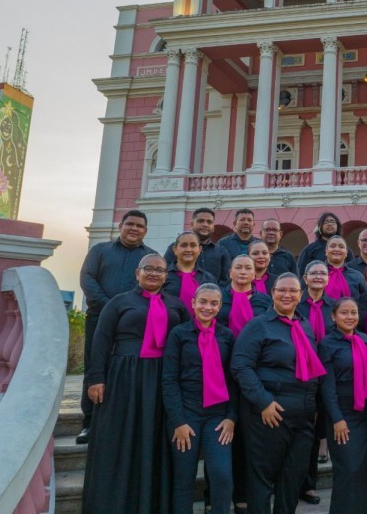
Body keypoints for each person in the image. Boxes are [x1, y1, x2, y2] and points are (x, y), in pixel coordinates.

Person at [82, 253, 190, 513]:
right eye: (148, 269)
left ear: (167, 276)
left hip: (162, 377)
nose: (154, 274)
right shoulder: (119, 303)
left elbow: (188, 342)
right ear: (137, 273)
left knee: (154, 438)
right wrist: (97, 377)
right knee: (120, 436)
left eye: (160, 270)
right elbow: (101, 341)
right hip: (124, 376)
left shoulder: (176, 306)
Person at [231, 272, 326, 514]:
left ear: (300, 295)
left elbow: (311, 366)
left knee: (293, 477)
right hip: (270, 410)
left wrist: (312, 406)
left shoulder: (304, 324)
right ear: (272, 293)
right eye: (281, 290)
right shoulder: (258, 326)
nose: (287, 294)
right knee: (262, 478)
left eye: (293, 291)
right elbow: (241, 367)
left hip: (303, 413)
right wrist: (264, 402)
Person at [77, 209, 156, 443]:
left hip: (134, 325)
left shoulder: (150, 257)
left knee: (127, 370)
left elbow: (153, 286)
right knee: (95, 366)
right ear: (121, 226)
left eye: (139, 226)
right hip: (99, 318)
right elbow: (87, 278)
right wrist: (111, 307)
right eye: (129, 224)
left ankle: (122, 423)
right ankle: (90, 423)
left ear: (145, 231)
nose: (134, 229)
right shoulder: (100, 251)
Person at [162, 283, 236, 514]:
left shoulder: (227, 336)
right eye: (202, 301)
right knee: (184, 478)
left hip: (217, 416)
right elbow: (169, 380)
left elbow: (233, 380)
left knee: (222, 475)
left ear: (220, 307)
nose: (207, 307)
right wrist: (178, 421)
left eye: (214, 303)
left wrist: (232, 418)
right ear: (193, 303)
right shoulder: (178, 334)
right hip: (186, 414)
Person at [217, 254, 271, 511]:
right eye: (238, 266)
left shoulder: (264, 301)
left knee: (249, 438)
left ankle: (244, 492)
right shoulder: (219, 298)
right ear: (230, 272)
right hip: (221, 371)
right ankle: (215, 494)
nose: (243, 271)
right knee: (225, 436)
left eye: (248, 268)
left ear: (254, 273)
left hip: (253, 373)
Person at [318, 297, 367, 514]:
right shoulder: (327, 344)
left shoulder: (364, 338)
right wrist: (337, 419)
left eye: (353, 313)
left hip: (364, 414)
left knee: (361, 471)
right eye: (344, 313)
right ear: (333, 316)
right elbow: (327, 387)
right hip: (342, 414)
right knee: (347, 469)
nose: (350, 317)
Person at [295, 260, 336, 505]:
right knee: (304, 432)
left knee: (321, 430)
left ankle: (312, 481)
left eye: (323, 273)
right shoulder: (296, 304)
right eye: (314, 273)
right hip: (302, 373)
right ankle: (302, 484)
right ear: (305, 277)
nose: (319, 276)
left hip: (328, 373)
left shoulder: (334, 307)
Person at [163, 207, 232, 286]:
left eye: (209, 222)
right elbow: (165, 272)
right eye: (200, 221)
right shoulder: (176, 248)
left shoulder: (221, 251)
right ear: (192, 224)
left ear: (213, 227)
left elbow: (226, 280)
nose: (205, 225)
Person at [163, 231, 220, 318]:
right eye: (183, 245)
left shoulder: (209, 279)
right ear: (175, 250)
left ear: (200, 250)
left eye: (193, 245)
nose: (188, 249)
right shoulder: (163, 277)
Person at [324, 235, 367, 300]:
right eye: (332, 246)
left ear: (346, 252)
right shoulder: (317, 274)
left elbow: (366, 301)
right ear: (326, 250)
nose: (336, 249)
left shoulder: (357, 276)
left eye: (341, 247)